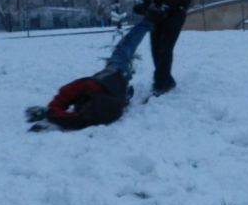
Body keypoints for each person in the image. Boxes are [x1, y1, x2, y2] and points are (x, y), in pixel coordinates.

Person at [25, 19, 153, 131]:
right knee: (125, 47)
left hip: (116, 83)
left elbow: (69, 109)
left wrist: (50, 114)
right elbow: (70, 109)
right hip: (115, 74)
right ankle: (147, 23)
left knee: (125, 49)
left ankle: (147, 23)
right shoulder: (91, 99)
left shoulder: (92, 107)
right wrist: (50, 114)